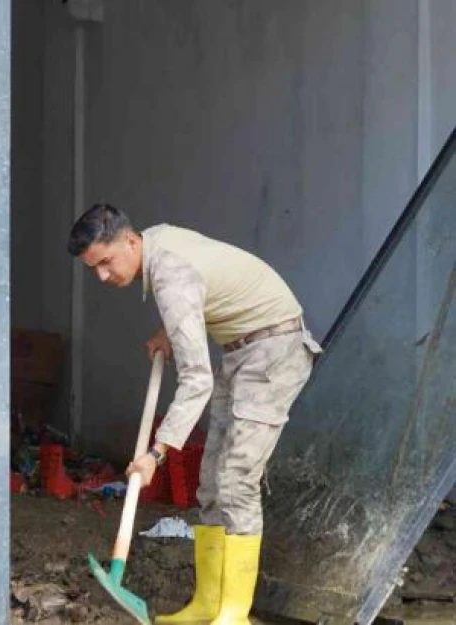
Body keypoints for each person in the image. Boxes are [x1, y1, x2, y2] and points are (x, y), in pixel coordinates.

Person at [67, 204, 322, 625]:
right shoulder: (156, 238)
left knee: (237, 478)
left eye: (106, 262)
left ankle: (234, 615)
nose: (103, 276)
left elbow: (197, 379)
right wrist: (172, 330)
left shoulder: (170, 278)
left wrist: (157, 454)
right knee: (211, 484)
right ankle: (206, 603)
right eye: (94, 268)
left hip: (275, 350)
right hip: (240, 349)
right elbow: (205, 284)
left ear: (130, 241)